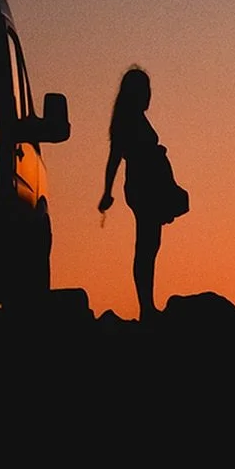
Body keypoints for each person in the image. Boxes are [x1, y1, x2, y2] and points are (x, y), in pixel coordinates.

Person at [99, 65, 183, 322]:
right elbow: (115, 157)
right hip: (143, 186)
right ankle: (146, 307)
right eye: (146, 90)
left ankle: (148, 304)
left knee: (149, 244)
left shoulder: (132, 117)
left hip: (146, 184)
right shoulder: (129, 120)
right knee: (146, 245)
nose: (149, 96)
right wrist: (106, 191)